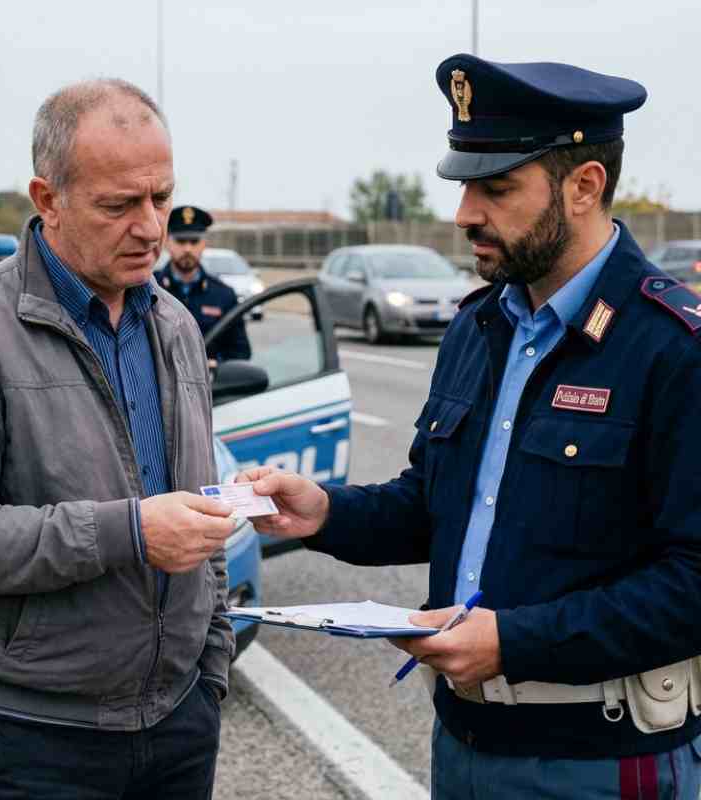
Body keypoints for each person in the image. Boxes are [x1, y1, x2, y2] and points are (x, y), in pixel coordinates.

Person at [239, 54, 701, 798]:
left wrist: (514, 642)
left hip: (599, 765)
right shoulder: (481, 327)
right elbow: (434, 505)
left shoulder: (671, 347)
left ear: (584, 186)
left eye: (497, 188)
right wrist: (323, 512)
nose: (464, 215)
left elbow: (693, 584)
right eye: (463, 185)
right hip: (461, 746)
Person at [0, 78, 237, 799]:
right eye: (118, 205)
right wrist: (131, 532)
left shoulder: (174, 325)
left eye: (161, 198)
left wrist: (210, 673)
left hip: (176, 727)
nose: (151, 228)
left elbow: (200, 510)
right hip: (23, 742)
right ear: (47, 199)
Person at [153, 205, 251, 362]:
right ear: (167, 243)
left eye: (194, 241)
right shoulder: (148, 289)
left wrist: (215, 365)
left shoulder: (224, 295)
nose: (187, 249)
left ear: (204, 244)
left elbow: (240, 353)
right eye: (180, 241)